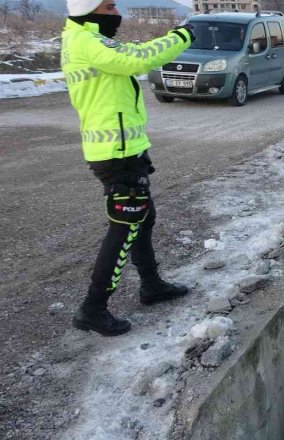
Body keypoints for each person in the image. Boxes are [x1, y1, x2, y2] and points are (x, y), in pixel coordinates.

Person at [62, 0, 195, 335]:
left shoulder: (92, 37)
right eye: (109, 6)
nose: (116, 11)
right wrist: (182, 36)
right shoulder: (86, 41)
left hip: (126, 148)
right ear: (88, 9)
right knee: (124, 226)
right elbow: (137, 58)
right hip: (114, 152)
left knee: (142, 217)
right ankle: (92, 308)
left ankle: (151, 285)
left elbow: (132, 50)